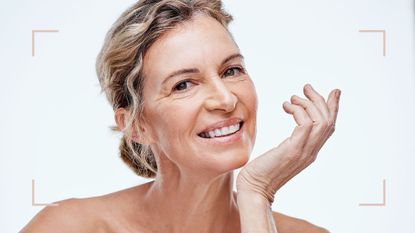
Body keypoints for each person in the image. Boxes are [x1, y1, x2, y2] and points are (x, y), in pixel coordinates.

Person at [22, 0, 340, 232]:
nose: (226, 99)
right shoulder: (67, 227)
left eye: (231, 70)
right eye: (183, 84)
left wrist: (257, 193)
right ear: (137, 125)